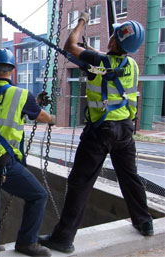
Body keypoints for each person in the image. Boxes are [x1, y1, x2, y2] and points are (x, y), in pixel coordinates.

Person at [39, 12, 153, 254]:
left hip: (100, 131)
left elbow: (70, 46)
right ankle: (144, 223)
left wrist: (81, 21)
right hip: (124, 131)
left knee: (80, 183)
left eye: (113, 35)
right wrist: (92, 52)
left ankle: (63, 237)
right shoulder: (131, 64)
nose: (110, 36)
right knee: (130, 178)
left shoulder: (97, 62)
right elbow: (106, 63)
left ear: (114, 41)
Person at [0, 48, 55, 256]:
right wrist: (52, 119)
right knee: (38, 196)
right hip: (2, 164)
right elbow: (39, 115)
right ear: (12, 71)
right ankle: (26, 242)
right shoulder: (21, 95)